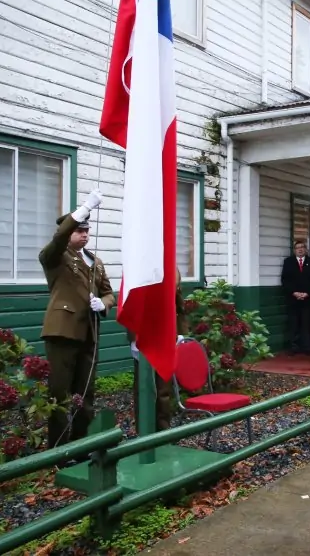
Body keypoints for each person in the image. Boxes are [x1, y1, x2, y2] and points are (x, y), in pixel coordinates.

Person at [38, 189, 115, 453]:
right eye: (79, 230)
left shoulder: (95, 261)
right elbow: (58, 239)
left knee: (85, 394)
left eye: (87, 230)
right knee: (59, 394)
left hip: (89, 332)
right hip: (62, 331)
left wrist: (103, 303)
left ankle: (81, 446)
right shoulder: (56, 256)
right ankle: (58, 451)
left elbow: (108, 293)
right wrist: (85, 208)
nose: (84, 234)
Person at [129, 268, 188, 432]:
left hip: (166, 336)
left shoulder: (171, 268)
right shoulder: (142, 268)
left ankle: (163, 432)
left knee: (164, 390)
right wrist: (133, 338)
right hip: (145, 337)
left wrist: (181, 333)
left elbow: (179, 305)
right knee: (143, 388)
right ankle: (144, 431)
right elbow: (132, 305)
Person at [281, 240, 310, 354]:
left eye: (302, 247)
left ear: (306, 250)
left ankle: (307, 347)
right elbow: (285, 280)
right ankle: (294, 347)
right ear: (294, 250)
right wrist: (294, 293)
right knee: (293, 324)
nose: (300, 249)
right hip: (293, 299)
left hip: (308, 299)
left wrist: (307, 293)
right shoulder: (288, 262)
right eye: (298, 247)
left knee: (306, 323)